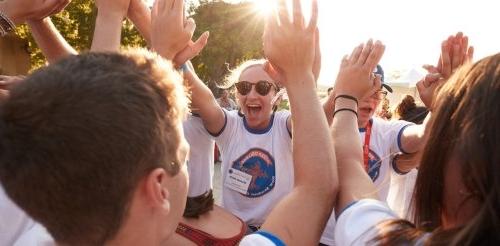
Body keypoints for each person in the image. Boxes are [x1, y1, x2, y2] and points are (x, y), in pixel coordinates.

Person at [0, 0, 339, 244]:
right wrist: (301, 75)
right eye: (180, 153)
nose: (253, 94)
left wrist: (122, 20)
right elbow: (314, 190)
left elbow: (96, 119)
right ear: (157, 186)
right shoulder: (228, 124)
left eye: (263, 87)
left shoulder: (35, 228)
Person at [333, 41, 498, 246]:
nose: (372, 98)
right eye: (365, 89)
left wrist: (346, 97)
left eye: (378, 92)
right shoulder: (320, 124)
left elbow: (421, 136)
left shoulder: (386, 129)